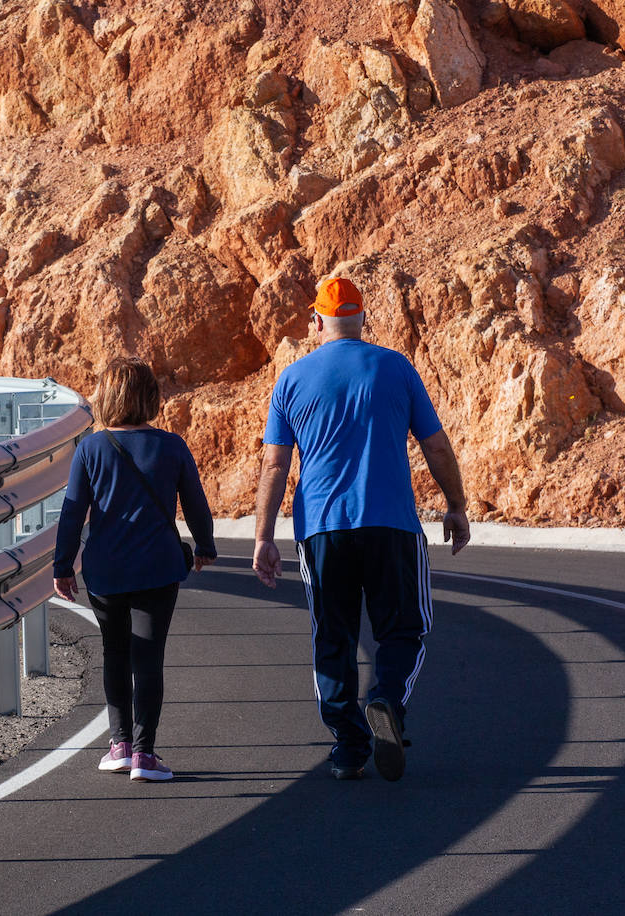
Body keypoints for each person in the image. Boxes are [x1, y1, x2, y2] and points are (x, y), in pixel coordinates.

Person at [252, 277, 470, 782]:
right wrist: (455, 505)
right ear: (362, 318)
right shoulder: (396, 367)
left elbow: (274, 466)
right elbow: (436, 446)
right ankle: (387, 700)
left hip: (323, 529)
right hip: (392, 523)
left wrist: (264, 538)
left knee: (334, 635)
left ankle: (349, 748)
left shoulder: (292, 378)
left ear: (317, 321)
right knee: (404, 629)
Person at [54, 357, 217, 782]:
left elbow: (72, 515)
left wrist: (62, 565)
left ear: (105, 398)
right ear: (150, 397)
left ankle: (119, 745)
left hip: (105, 569)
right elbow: (195, 504)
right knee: (148, 658)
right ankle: (145, 754)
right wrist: (204, 545)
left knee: (114, 652)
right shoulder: (172, 446)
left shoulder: (91, 449)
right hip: (158, 568)